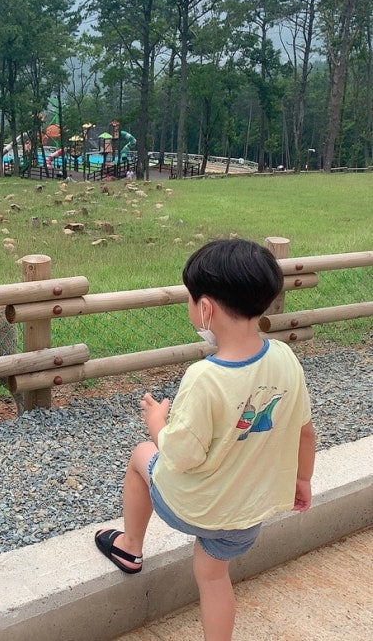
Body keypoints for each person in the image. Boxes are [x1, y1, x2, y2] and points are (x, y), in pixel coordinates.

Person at [95, 238, 315, 641]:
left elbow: (179, 455)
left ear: (206, 308)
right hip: (248, 514)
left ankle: (129, 545)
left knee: (141, 455)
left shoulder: (205, 378)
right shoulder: (285, 357)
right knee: (213, 579)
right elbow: (305, 431)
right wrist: (301, 482)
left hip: (197, 509)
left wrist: (156, 420)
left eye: (190, 299)